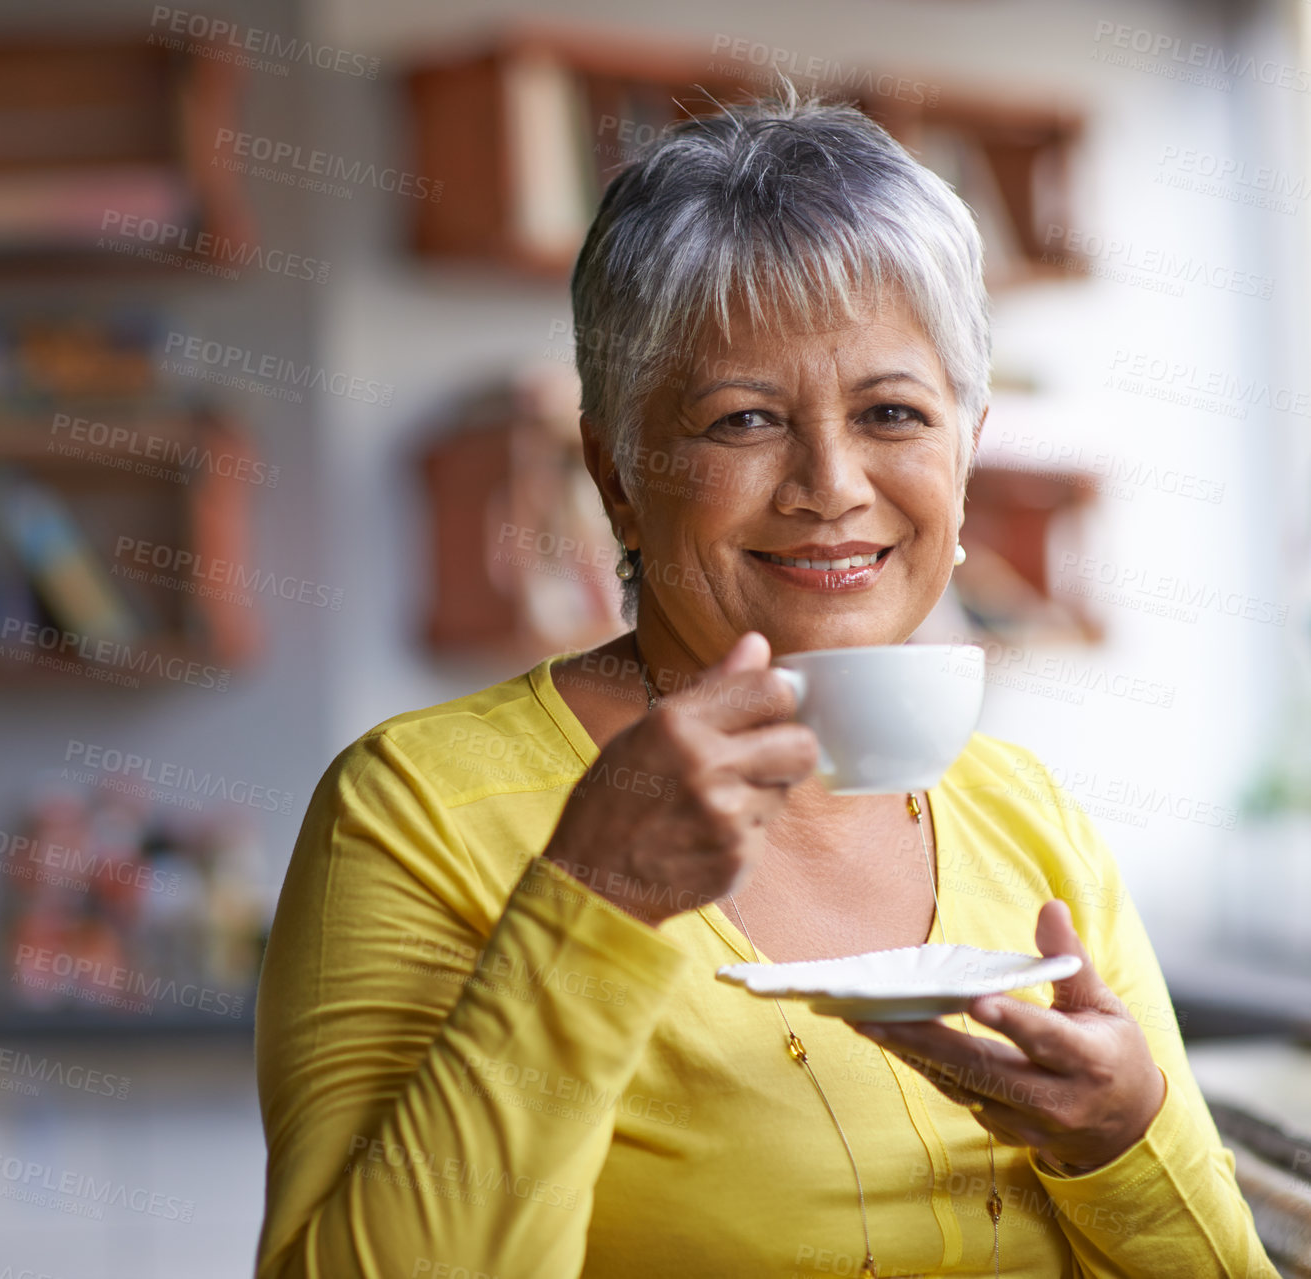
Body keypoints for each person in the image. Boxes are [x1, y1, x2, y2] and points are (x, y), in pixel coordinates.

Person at [252, 88, 1278, 1278]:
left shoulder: (1026, 812)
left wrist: (1123, 1137)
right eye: (742, 421)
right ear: (617, 472)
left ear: (965, 450)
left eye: (892, 411)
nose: (830, 483)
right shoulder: (415, 805)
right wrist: (594, 899)